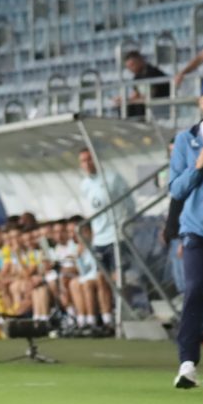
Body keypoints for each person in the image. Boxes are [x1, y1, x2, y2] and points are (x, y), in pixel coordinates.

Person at [169, 77, 203, 391]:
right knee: (194, 290)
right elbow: (175, 189)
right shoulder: (185, 140)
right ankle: (187, 364)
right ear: (200, 102)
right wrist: (197, 167)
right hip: (196, 231)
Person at [78, 147, 133, 335]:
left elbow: (129, 202)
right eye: (83, 161)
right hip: (99, 239)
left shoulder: (112, 178)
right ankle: (107, 320)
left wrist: (127, 226)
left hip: (116, 236)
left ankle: (125, 316)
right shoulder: (85, 184)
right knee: (101, 279)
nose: (86, 164)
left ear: (96, 159)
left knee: (119, 279)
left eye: (89, 159)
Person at [115, 50, 169, 119]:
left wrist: (131, 100)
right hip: (148, 104)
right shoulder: (137, 77)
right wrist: (124, 100)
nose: (131, 69)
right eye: (128, 67)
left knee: (136, 106)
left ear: (140, 61)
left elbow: (150, 94)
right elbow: (136, 95)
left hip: (159, 105)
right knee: (123, 106)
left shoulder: (152, 72)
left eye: (132, 65)